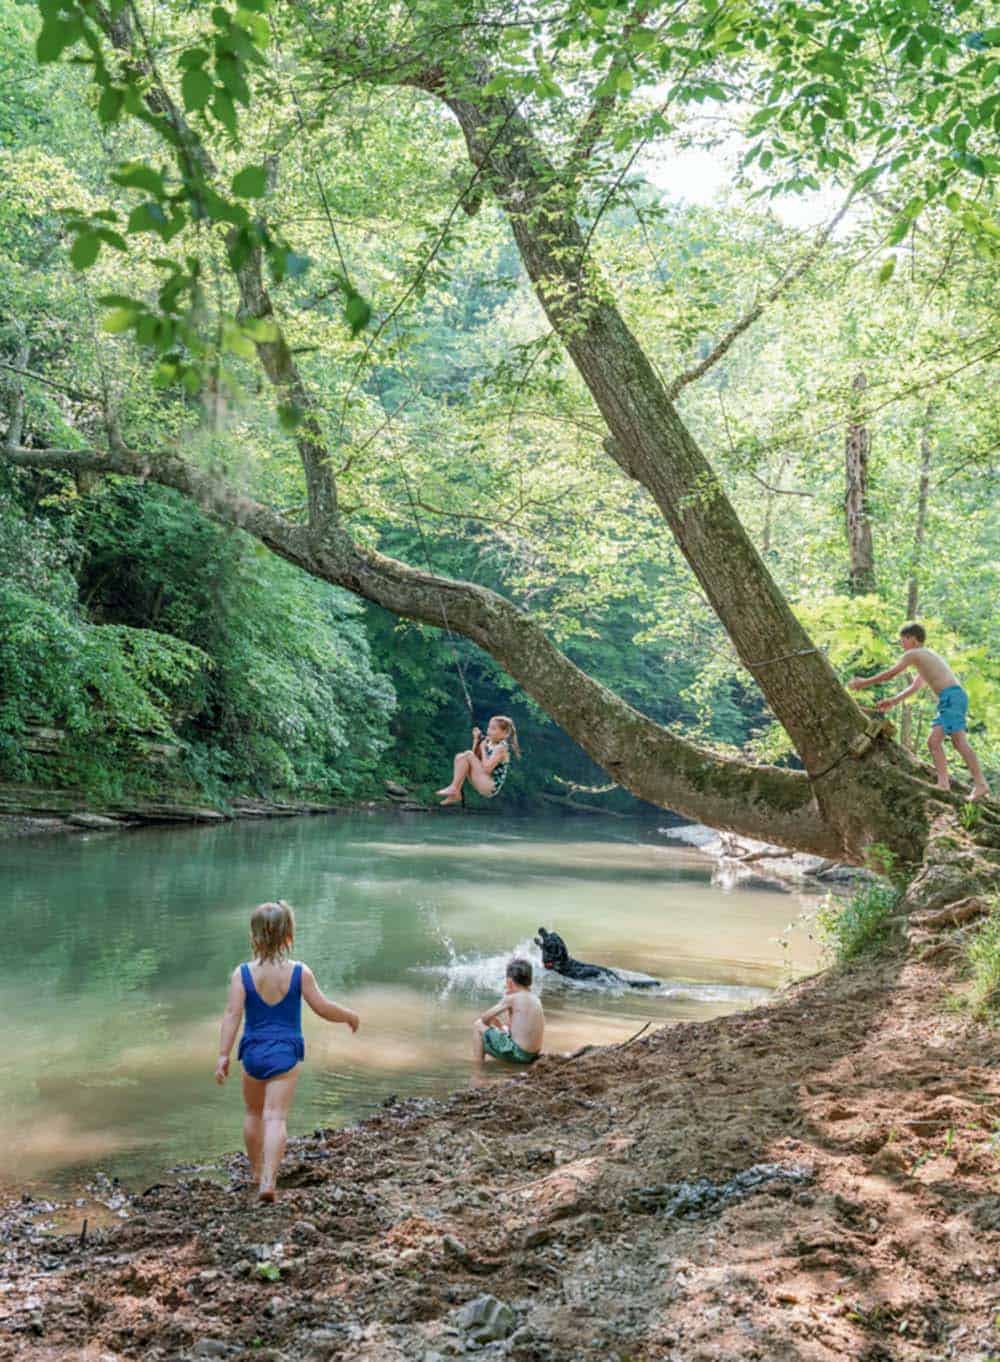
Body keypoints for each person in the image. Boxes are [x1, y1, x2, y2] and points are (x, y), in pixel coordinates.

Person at [215, 900, 360, 1201]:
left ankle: (255, 1172)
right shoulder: (299, 972)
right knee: (276, 1117)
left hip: (252, 1053)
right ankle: (269, 1180)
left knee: (253, 1113)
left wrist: (222, 1055)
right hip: (286, 1054)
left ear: (253, 937)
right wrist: (348, 1015)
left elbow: (232, 1015)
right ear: (289, 937)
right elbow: (322, 1008)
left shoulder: (241, 974)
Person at [848, 622, 990, 801]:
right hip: (952, 699)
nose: (902, 644)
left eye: (903, 640)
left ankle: (977, 784)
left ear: (913, 640)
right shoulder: (924, 656)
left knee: (952, 742)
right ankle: (945, 784)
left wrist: (863, 682)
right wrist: (893, 701)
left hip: (951, 698)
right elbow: (916, 686)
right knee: (938, 742)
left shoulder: (913, 654)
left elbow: (890, 674)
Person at [472, 957, 544, 1066]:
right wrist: (500, 1026)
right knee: (503, 1029)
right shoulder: (535, 998)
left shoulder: (512, 998)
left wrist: (492, 1022)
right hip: (532, 1054)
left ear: (509, 982)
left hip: (519, 1054)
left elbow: (484, 1019)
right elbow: (515, 1030)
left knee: (478, 1025)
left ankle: (478, 1068)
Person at [438, 714, 520, 806]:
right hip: (482, 779)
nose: (489, 731)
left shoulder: (501, 748)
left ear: (505, 734)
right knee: (460, 757)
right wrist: (476, 740)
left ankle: (454, 788)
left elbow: (487, 769)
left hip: (490, 786)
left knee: (468, 754)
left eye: (493, 728)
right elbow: (475, 759)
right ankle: (456, 792)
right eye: (489, 727)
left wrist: (483, 749)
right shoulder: (488, 742)